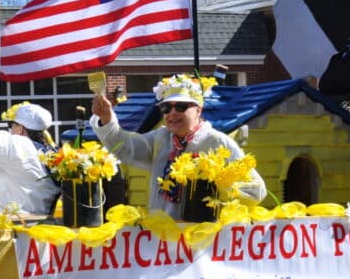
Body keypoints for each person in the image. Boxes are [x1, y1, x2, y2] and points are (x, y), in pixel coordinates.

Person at [90, 75, 265, 218]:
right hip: (162, 242)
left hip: (202, 241)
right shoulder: (160, 138)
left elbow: (256, 190)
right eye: (166, 108)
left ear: (199, 110)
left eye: (181, 106)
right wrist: (107, 119)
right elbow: (126, 147)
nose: (172, 113)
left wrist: (218, 188)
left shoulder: (218, 143)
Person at [0, 103, 61, 215]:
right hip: (43, 222)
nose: (10, 130)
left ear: (21, 128)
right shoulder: (52, 152)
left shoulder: (20, 144)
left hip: (15, 224)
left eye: (12, 126)